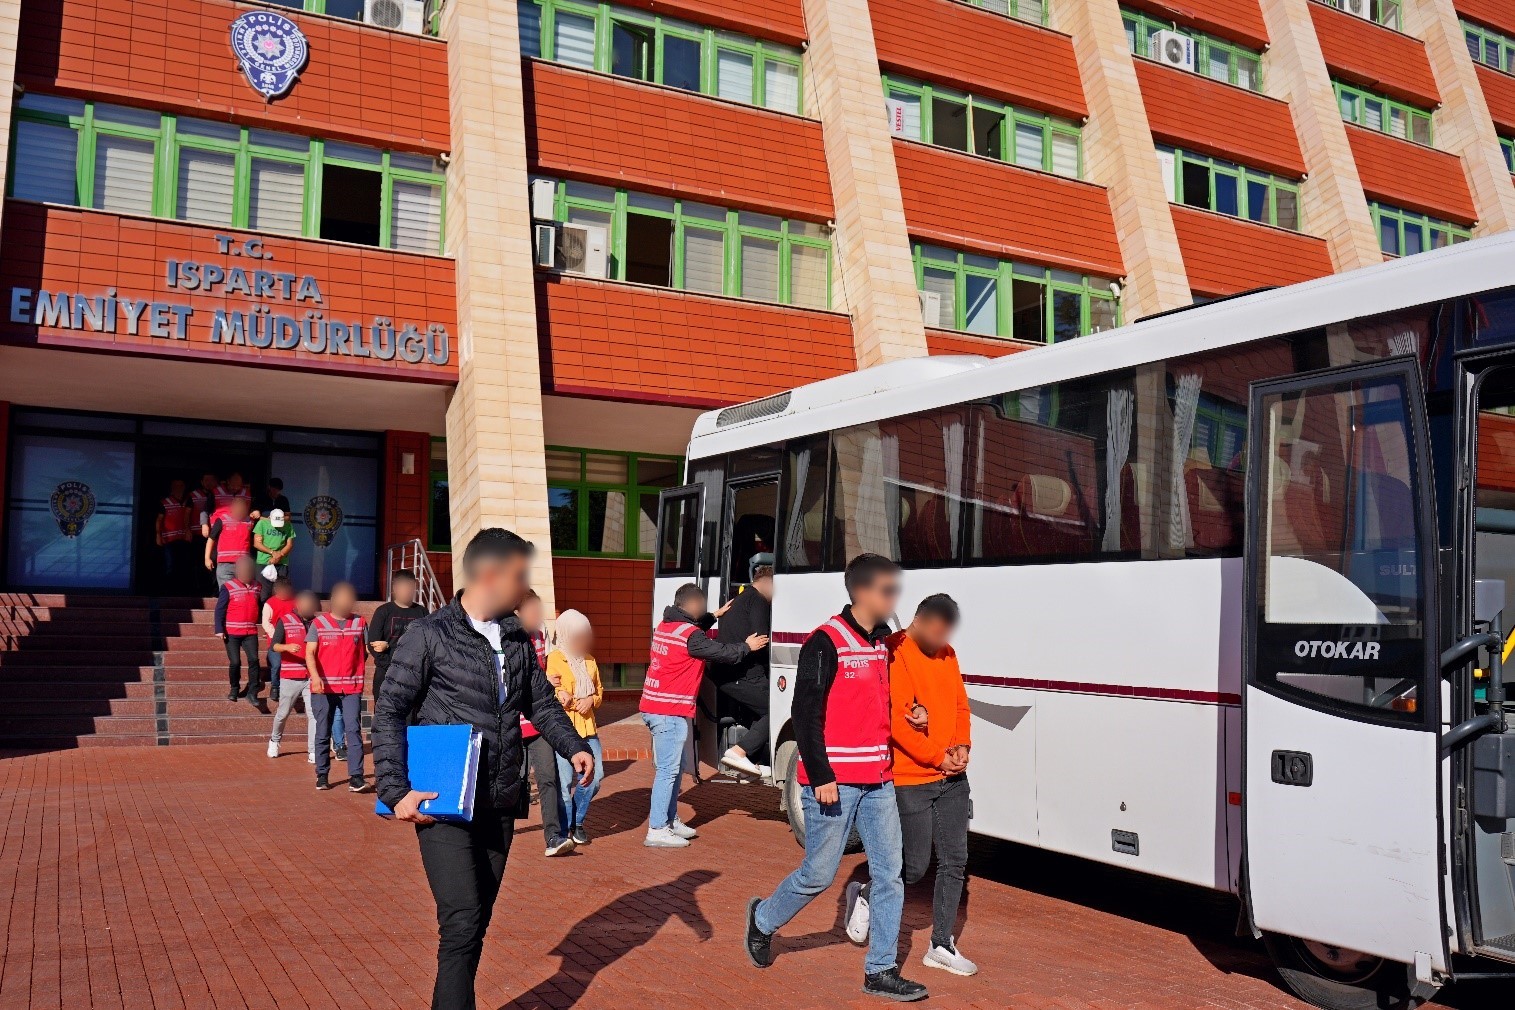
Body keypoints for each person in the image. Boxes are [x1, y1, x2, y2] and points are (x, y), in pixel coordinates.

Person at [373, 529, 593, 1010]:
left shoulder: (517, 637)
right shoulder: (429, 634)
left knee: (476, 921)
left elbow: (541, 702)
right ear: (490, 575)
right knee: (462, 919)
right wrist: (395, 791)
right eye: (519, 574)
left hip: (498, 798)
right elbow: (389, 709)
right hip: (443, 798)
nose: (525, 585)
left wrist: (573, 745)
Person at [745, 553, 927, 1003]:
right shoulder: (824, 643)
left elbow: (881, 700)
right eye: (887, 590)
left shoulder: (883, 641)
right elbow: (805, 715)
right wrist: (821, 774)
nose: (893, 598)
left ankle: (879, 969)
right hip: (834, 783)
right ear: (864, 593)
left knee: (890, 875)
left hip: (878, 781)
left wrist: (912, 713)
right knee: (818, 874)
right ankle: (763, 919)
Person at [845, 594, 977, 977]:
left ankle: (941, 944)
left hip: (952, 778)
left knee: (955, 860)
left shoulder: (948, 654)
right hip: (911, 778)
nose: (940, 641)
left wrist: (963, 748)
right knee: (915, 866)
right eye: (934, 632)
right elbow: (898, 723)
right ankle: (867, 894)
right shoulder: (894, 651)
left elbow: (959, 707)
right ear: (917, 621)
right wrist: (938, 756)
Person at [640, 582, 767, 848]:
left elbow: (693, 636)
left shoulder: (665, 626)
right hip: (669, 712)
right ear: (694, 606)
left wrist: (712, 617)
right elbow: (718, 652)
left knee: (673, 771)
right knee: (667, 771)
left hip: (657, 707)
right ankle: (657, 828)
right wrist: (746, 646)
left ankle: (669, 819)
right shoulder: (690, 635)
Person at [516, 590, 572, 857]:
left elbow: (543, 674)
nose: (538, 617)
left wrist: (555, 689)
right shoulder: (505, 638)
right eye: (532, 611)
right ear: (516, 612)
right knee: (511, 780)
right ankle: (497, 829)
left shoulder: (539, 637)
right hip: (510, 724)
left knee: (548, 777)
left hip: (538, 722)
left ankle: (553, 836)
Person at [307, 582, 369, 793]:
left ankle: (356, 777)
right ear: (333, 600)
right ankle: (322, 775)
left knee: (353, 730)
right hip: (324, 688)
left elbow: (366, 650)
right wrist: (315, 677)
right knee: (323, 731)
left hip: (351, 687)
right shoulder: (319, 623)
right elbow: (309, 653)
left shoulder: (360, 623)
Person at [714, 565, 774, 779]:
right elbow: (763, 638)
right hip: (744, 675)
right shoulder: (758, 600)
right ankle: (738, 752)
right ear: (768, 583)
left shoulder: (741, 598)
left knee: (758, 716)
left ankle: (750, 764)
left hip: (730, 675)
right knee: (774, 711)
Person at [549, 609, 603, 846]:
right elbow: (547, 691)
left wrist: (591, 700)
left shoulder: (590, 660)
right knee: (564, 783)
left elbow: (599, 691)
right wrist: (561, 695)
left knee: (596, 777)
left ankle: (576, 821)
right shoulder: (555, 658)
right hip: (564, 730)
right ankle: (562, 831)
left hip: (589, 728)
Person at [268, 589, 320, 762]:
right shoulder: (285, 620)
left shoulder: (318, 622)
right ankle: (274, 740)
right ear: (298, 604)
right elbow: (274, 646)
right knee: (283, 713)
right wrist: (287, 647)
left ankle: (313, 750)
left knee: (313, 714)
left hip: (311, 675)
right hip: (290, 675)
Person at [367, 570, 429, 706]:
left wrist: (389, 647)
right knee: (385, 718)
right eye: (402, 587)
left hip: (414, 675)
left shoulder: (422, 612)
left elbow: (427, 645)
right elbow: (372, 645)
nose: (406, 591)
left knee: (411, 720)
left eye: (409, 587)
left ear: (414, 587)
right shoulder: (383, 611)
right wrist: (392, 665)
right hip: (387, 675)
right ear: (395, 588)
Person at [214, 556, 266, 706]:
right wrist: (219, 629)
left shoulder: (257, 586)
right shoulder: (228, 587)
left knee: (254, 660)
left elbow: (261, 607)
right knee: (235, 662)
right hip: (232, 632)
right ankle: (234, 688)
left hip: (250, 632)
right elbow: (219, 610)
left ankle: (253, 691)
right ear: (237, 571)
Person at [261, 577, 298, 704]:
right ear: (276, 590)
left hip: (292, 640)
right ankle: (275, 687)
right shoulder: (270, 603)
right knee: (277, 665)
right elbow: (266, 623)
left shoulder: (295, 602)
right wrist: (276, 635)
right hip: (275, 642)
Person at [205, 496, 255, 588]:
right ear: (232, 508)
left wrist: (257, 513)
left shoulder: (250, 521)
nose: (240, 512)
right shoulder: (222, 520)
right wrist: (207, 558)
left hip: (243, 564)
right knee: (227, 593)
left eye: (242, 509)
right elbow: (211, 538)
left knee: (242, 593)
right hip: (225, 564)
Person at [155, 479, 195, 588]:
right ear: (172, 488)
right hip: (169, 539)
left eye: (181, 485)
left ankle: (182, 590)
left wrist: (187, 531)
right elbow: (159, 519)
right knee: (170, 565)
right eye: (176, 486)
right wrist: (158, 535)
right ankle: (168, 590)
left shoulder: (188, 500)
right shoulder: (165, 502)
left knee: (184, 565)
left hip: (183, 538)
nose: (179, 488)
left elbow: (187, 516)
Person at [253, 508, 296, 594]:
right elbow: (257, 544)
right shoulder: (262, 523)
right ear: (269, 518)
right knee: (264, 593)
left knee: (282, 591)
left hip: (282, 562)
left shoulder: (288, 525)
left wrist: (279, 555)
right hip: (264, 562)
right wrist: (272, 553)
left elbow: (290, 544)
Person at [192, 472, 218, 538]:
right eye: (207, 480)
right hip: (198, 533)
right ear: (202, 482)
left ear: (215, 482)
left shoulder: (221, 495)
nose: (209, 483)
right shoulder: (193, 495)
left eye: (211, 480)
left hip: (215, 531)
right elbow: (186, 514)